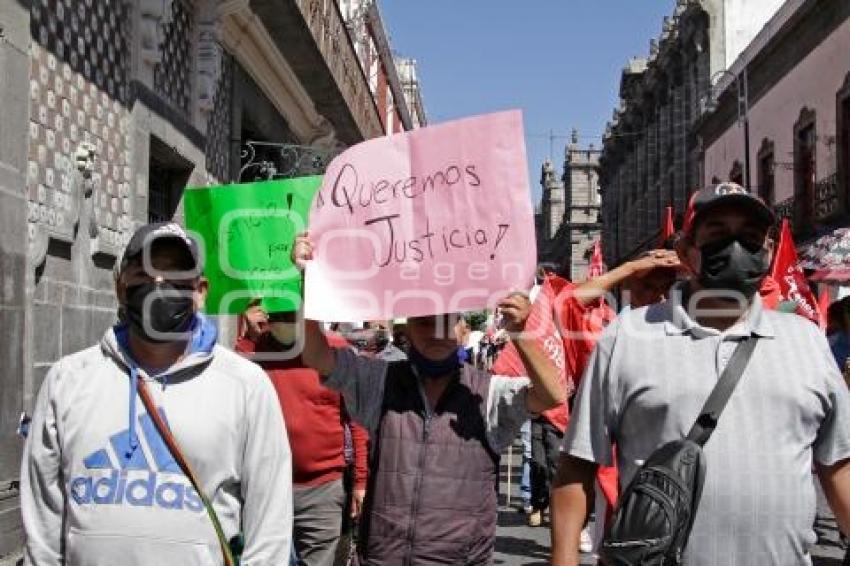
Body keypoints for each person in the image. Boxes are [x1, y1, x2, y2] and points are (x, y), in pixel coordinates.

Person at [551, 183, 850, 565]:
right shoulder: (626, 337)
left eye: (751, 237)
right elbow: (577, 466)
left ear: (770, 252)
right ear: (686, 251)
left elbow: (838, 463)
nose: (736, 248)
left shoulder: (807, 340)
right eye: (717, 235)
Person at [20, 222, 293, 565]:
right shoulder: (67, 381)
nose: (159, 286)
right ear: (121, 288)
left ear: (201, 291)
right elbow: (43, 522)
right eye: (144, 275)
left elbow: (270, 531)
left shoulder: (246, 387)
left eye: (176, 275)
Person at [292, 231, 565, 565]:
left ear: (463, 329)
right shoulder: (379, 381)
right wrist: (310, 280)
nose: (436, 331)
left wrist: (521, 332)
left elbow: (553, 393)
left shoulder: (488, 393)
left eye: (445, 321)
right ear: (406, 332)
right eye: (424, 323)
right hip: (384, 557)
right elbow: (317, 356)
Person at [235, 309, 369, 566]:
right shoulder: (259, 349)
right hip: (266, 486)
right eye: (275, 316)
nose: (281, 322)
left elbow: (357, 421)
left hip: (323, 489)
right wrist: (248, 329)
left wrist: (360, 481)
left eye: (290, 315)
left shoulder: (336, 350)